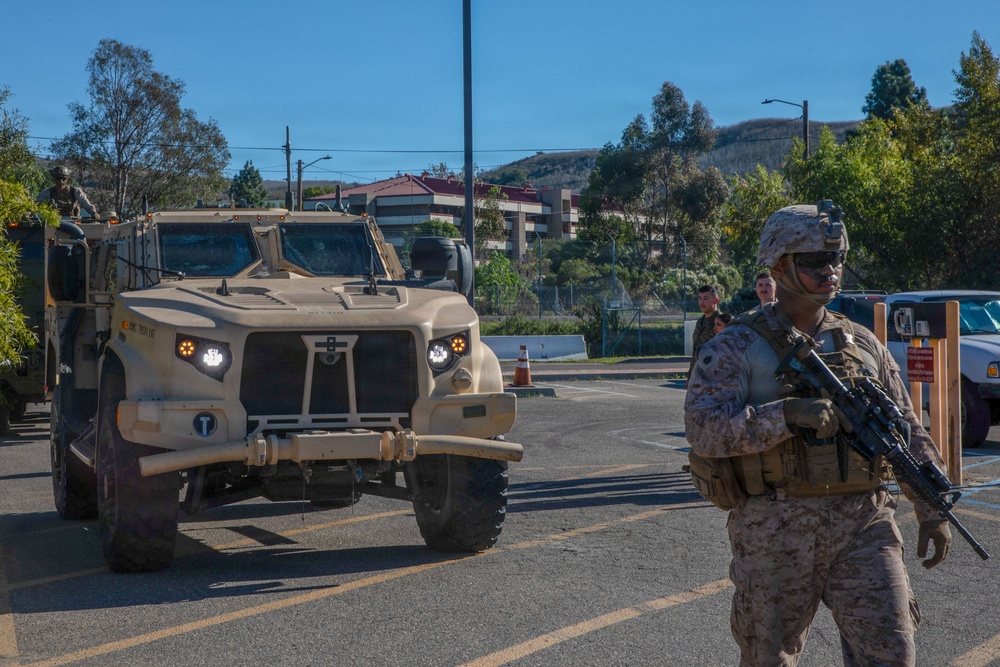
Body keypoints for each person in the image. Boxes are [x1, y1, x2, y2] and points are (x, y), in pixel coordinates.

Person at [684, 201, 951, 667]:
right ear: (779, 264)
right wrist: (785, 415)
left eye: (837, 260)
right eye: (814, 262)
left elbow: (906, 429)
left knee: (892, 653)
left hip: (864, 523)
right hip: (775, 526)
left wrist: (931, 507)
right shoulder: (737, 345)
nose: (830, 271)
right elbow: (702, 429)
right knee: (768, 658)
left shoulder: (862, 343)